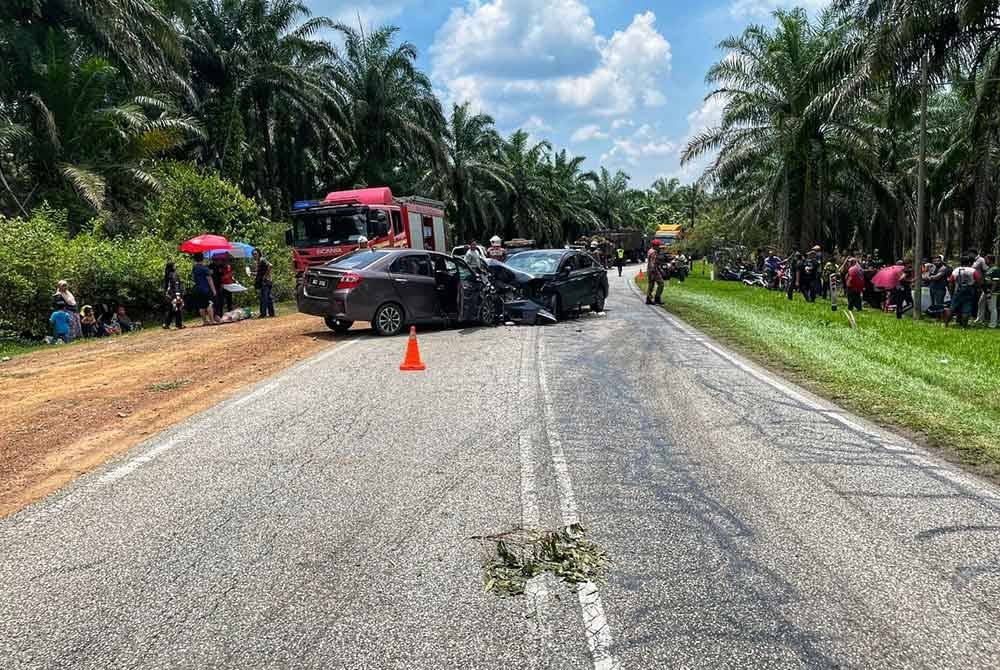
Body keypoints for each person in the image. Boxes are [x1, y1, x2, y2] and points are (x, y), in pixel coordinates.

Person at [944, 254, 982, 328]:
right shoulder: (973, 270)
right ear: (969, 262)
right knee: (966, 309)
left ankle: (946, 325)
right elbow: (978, 280)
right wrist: (977, 288)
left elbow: (951, 282)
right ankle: (964, 326)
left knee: (952, 308)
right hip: (969, 290)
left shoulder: (956, 270)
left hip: (958, 290)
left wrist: (951, 292)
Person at [192, 252, 219, 325]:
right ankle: (212, 320)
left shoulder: (194, 268)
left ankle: (204, 321)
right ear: (202, 258)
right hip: (205, 289)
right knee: (209, 304)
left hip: (197, 289)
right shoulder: (205, 268)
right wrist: (214, 290)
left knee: (201, 306)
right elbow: (209, 280)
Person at [251, 249, 275, 318]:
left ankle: (263, 313)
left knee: (264, 298)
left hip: (266, 281)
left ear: (259, 254)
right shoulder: (258, 262)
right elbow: (261, 272)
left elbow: (270, 266)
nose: (254, 255)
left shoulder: (262, 260)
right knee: (268, 298)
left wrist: (265, 276)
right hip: (266, 281)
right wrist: (253, 273)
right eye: (253, 254)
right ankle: (271, 313)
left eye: (255, 254)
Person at [163, 262, 185, 330]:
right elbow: (176, 285)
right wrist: (178, 295)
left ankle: (166, 324)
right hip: (174, 294)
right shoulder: (174, 274)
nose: (176, 266)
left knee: (170, 309)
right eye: (174, 265)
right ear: (172, 267)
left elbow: (167, 286)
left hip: (168, 294)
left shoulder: (167, 274)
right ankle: (179, 324)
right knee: (177, 308)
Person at [982, 255, 999, 329]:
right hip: (986, 290)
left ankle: (993, 324)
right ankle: (980, 320)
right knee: (981, 304)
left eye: (986, 259)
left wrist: (991, 292)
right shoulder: (989, 269)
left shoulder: (995, 269)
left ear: (990, 260)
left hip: (992, 291)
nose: (985, 261)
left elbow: (996, 281)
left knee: (992, 307)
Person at [645, 239, 664, 305]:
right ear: (655, 246)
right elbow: (653, 263)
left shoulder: (650, 251)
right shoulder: (654, 252)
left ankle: (648, 299)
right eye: (658, 245)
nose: (659, 246)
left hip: (649, 270)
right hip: (653, 270)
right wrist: (654, 271)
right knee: (661, 284)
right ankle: (657, 298)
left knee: (651, 285)